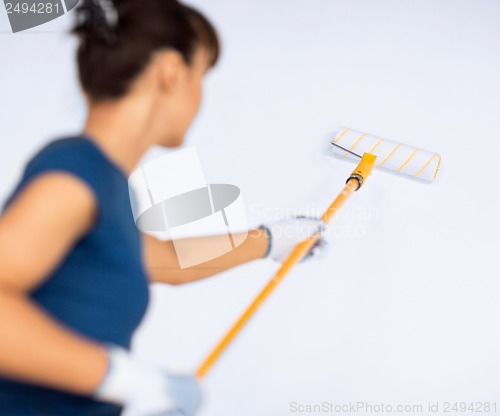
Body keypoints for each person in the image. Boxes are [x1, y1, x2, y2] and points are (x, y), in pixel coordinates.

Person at [0, 0, 325, 415]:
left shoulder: (108, 186)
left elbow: (172, 260)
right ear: (171, 71)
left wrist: (274, 239)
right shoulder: (78, 169)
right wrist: (122, 379)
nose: (201, 95)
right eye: (202, 75)